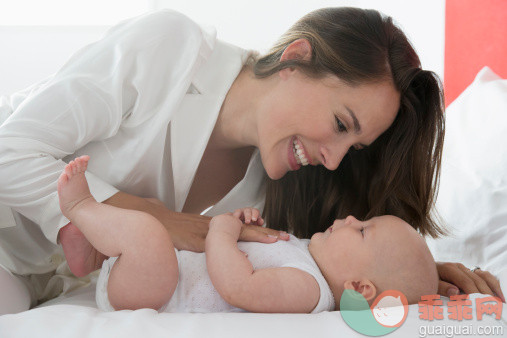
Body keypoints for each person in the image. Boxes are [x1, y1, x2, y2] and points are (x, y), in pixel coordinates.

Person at [0, 7, 503, 314]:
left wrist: (412, 272)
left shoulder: (276, 188)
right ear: (295, 58)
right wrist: (163, 222)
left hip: (46, 285)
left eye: (355, 149)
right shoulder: (170, 48)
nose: (333, 161)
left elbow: (325, 259)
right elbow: (9, 150)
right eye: (342, 125)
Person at [59, 155, 438, 312]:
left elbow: (239, 286)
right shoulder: (308, 254)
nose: (352, 218)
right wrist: (245, 225)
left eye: (362, 231)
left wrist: (222, 232)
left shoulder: (310, 291)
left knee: (148, 235)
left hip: (157, 294)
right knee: (152, 228)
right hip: (156, 276)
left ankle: (81, 208)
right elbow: (256, 254)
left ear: (360, 287)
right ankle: (95, 255)